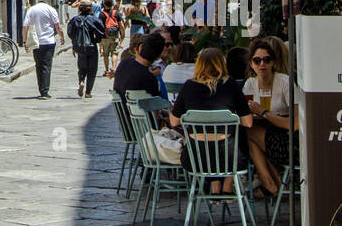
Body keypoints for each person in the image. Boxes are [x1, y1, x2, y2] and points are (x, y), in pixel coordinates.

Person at [169, 48, 253, 195]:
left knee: (205, 146)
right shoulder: (231, 85)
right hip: (228, 157)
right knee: (239, 131)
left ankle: (215, 186)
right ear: (222, 64)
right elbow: (248, 122)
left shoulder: (188, 86)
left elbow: (174, 121)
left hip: (196, 158)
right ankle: (227, 184)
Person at [242, 37, 298, 198]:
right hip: (267, 135)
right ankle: (276, 184)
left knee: (248, 134)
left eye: (266, 60)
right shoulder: (250, 84)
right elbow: (245, 116)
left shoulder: (284, 82)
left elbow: (295, 124)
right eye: (257, 60)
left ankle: (272, 185)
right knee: (249, 135)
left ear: (273, 62)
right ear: (251, 64)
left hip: (288, 141)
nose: (262, 64)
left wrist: (264, 113)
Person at [22, 0, 65, 99]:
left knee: (38, 65)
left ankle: (41, 88)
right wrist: (62, 37)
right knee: (46, 66)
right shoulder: (51, 10)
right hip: (49, 41)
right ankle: (44, 91)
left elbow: (25, 27)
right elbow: (58, 26)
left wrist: (24, 41)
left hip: (36, 42)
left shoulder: (31, 10)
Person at [67, 0, 106, 99]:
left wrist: (75, 43)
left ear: (80, 8)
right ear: (90, 8)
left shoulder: (75, 19)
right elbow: (101, 32)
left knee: (82, 68)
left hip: (80, 48)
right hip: (92, 47)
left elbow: (70, 33)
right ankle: (88, 92)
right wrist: (96, 40)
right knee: (92, 70)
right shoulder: (94, 19)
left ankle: (81, 81)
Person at [113, 30, 166, 102]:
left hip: (125, 111)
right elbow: (154, 108)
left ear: (140, 47)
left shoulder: (124, 63)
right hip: (142, 111)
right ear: (158, 56)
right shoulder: (149, 78)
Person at [98, 0, 123, 79]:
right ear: (112, 4)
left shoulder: (101, 14)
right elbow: (121, 25)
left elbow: (99, 27)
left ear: (104, 5)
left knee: (106, 54)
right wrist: (122, 35)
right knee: (114, 53)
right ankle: (114, 69)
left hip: (105, 37)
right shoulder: (116, 13)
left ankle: (107, 70)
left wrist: (99, 40)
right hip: (114, 36)